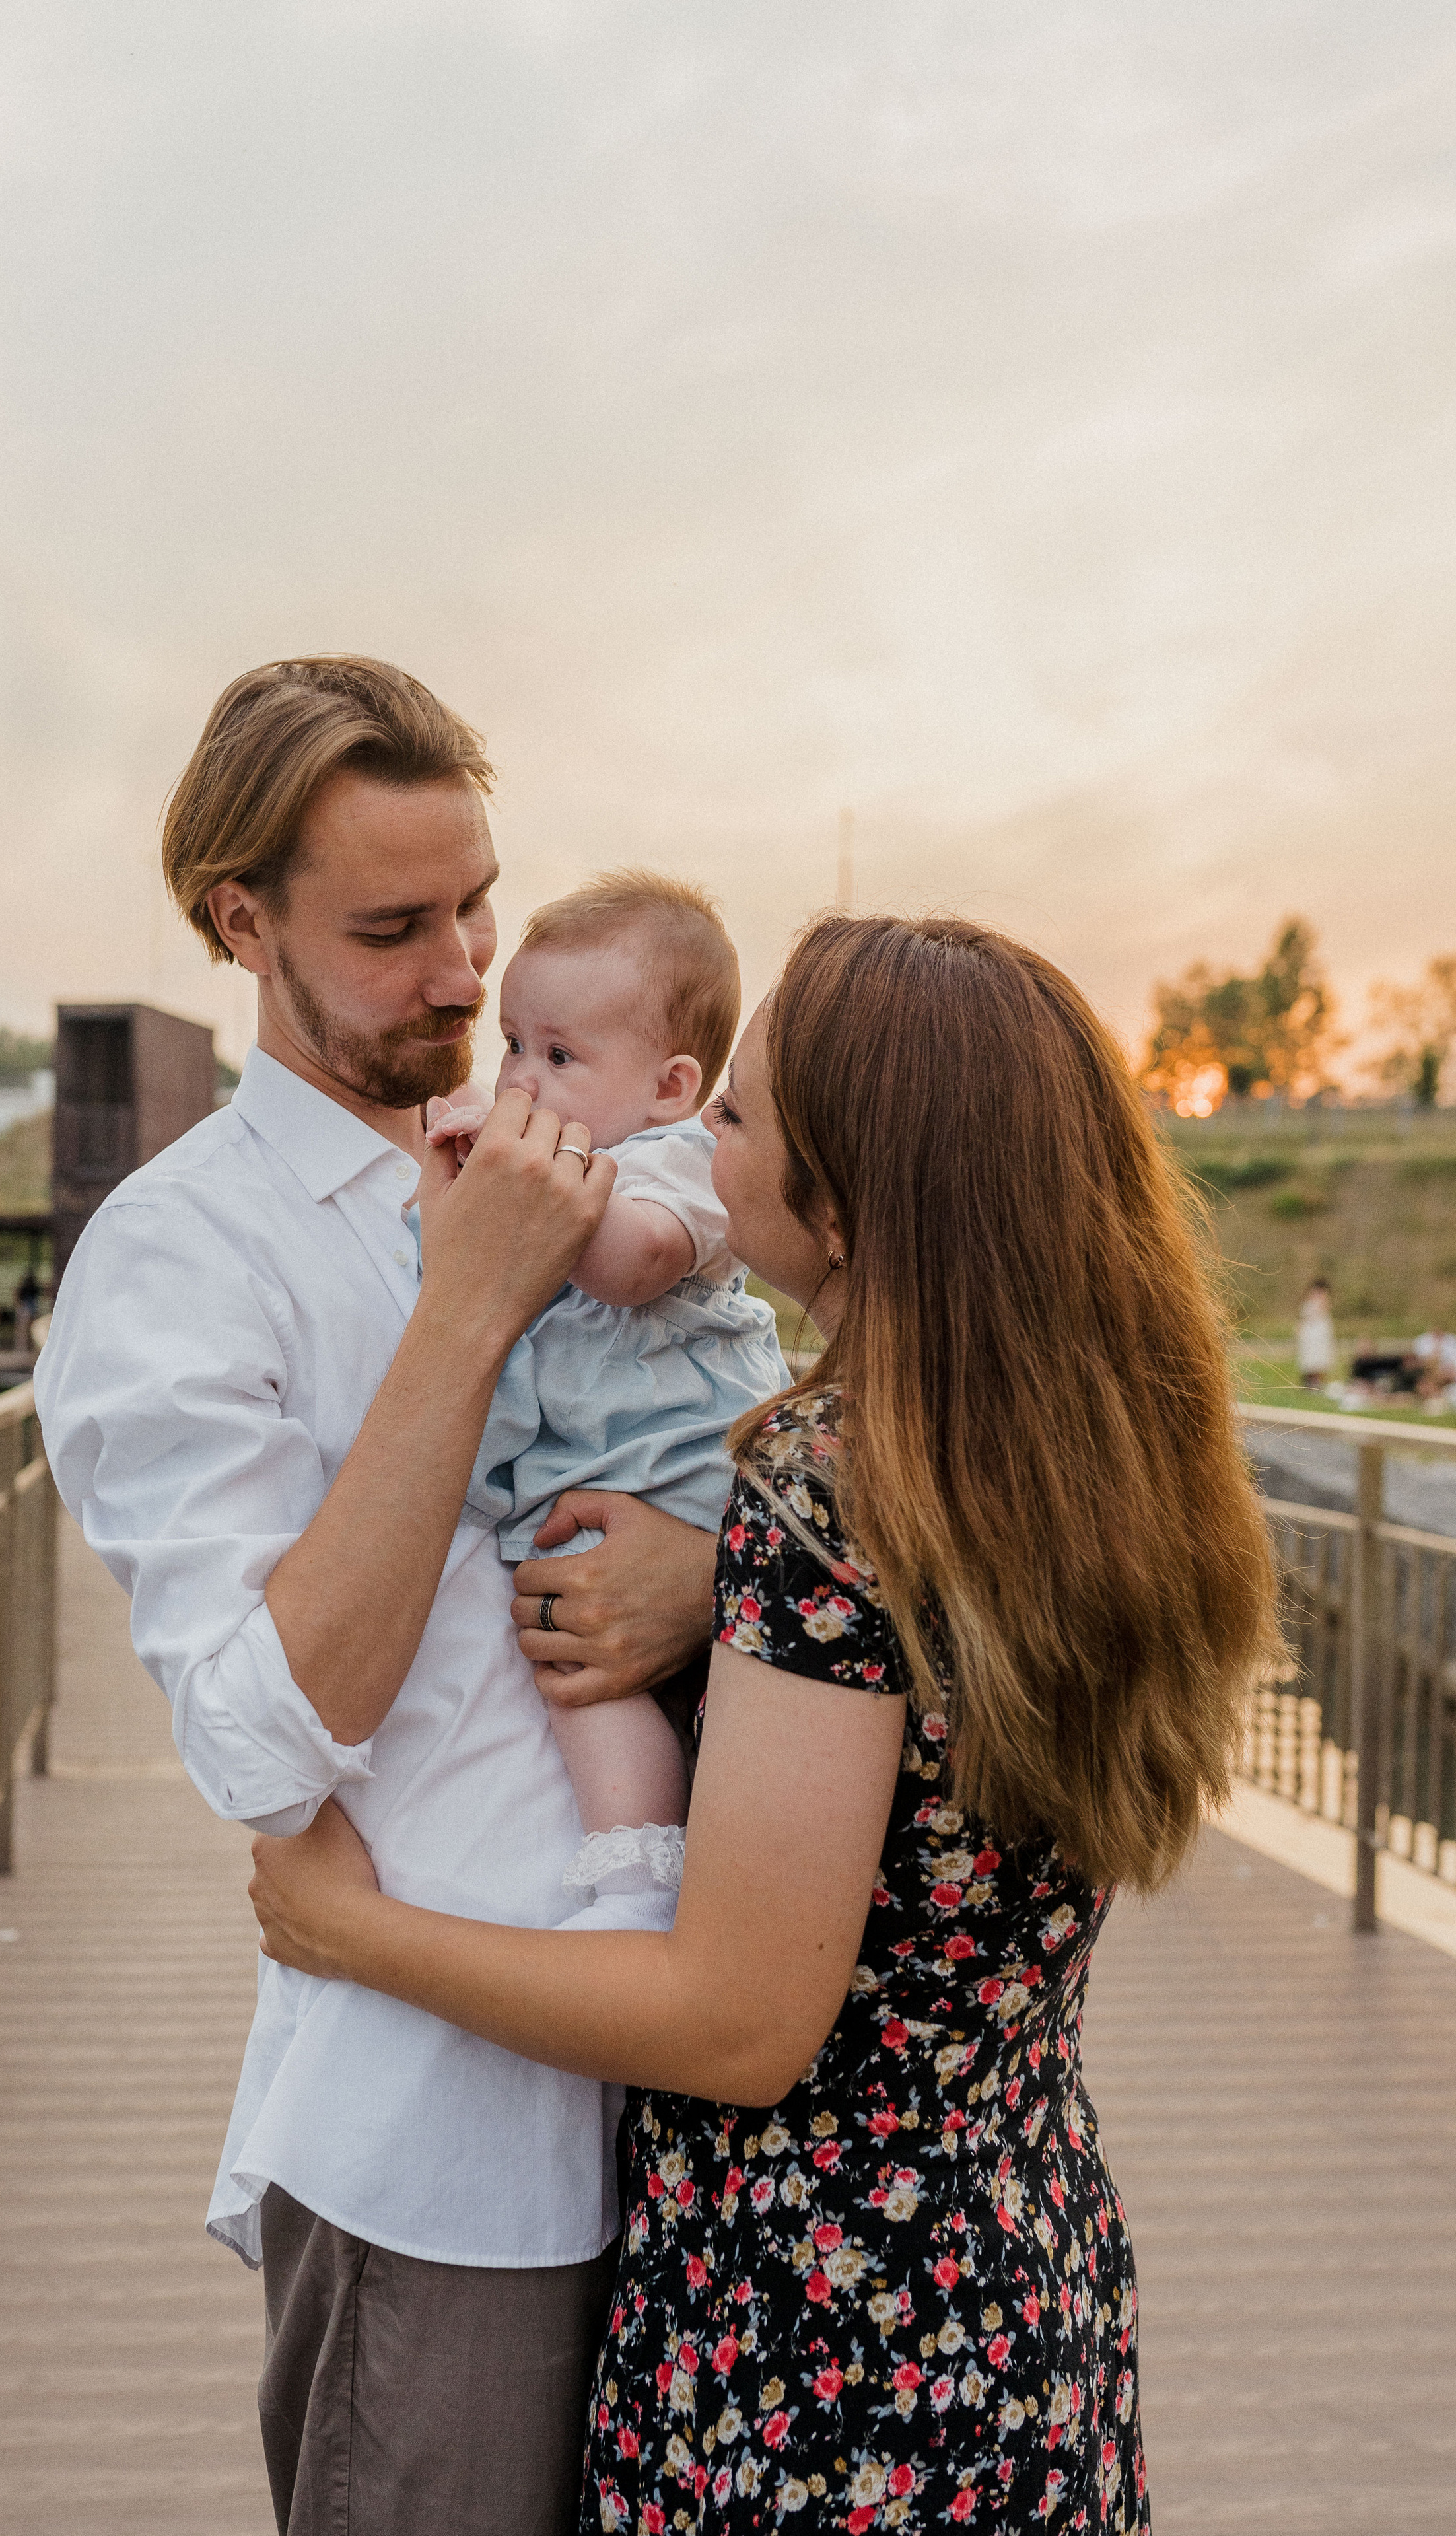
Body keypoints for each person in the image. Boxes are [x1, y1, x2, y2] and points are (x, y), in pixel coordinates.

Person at [250, 911, 1282, 2533]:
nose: (692, 1139)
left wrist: (354, 1931)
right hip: (1017, 2282)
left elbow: (735, 2018)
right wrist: (708, 1575)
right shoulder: (1074, 1462)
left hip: (817, 2337)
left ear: (848, 1198)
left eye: (730, 1114)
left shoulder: (820, 1492)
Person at [34, 655, 722, 2536]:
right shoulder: (180, 1258)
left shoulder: (597, 1158)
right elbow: (260, 1744)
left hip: (715, 2118)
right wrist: (471, 1298)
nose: (464, 972)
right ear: (237, 923)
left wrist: (709, 1572)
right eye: (397, 926)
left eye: (480, 905)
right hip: (452, 2155)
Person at [425, 870, 789, 1919]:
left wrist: (530, 1191)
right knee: (587, 1675)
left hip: (693, 1482)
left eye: (560, 1057)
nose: (521, 1083)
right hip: (581, 1499)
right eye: (512, 1048)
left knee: (618, 1683)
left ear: (672, 1086)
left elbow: (632, 1266)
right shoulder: (557, 1156)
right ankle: (635, 1857)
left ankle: (638, 1870)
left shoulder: (682, 1168)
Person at [1295, 1276, 1335, 1388]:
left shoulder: (1323, 1301)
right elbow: (1303, 1318)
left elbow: (1322, 1312)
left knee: (1319, 1359)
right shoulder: (1307, 1303)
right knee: (1309, 1359)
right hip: (1309, 1335)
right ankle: (1309, 1382)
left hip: (1319, 1334)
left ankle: (1318, 1382)